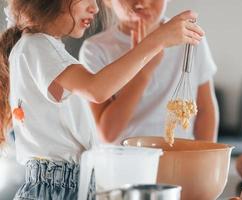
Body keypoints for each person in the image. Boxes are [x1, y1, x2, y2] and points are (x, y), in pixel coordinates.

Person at [0, 0, 204, 199]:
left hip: (69, 182)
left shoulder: (42, 48)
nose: (95, 8)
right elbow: (96, 88)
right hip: (57, 187)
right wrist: (157, 40)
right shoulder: (37, 46)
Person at [79, 0, 219, 144]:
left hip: (178, 158)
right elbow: (107, 133)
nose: (143, 1)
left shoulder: (189, 36)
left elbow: (204, 110)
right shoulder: (95, 50)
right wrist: (143, 72)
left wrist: (208, 158)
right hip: (125, 161)